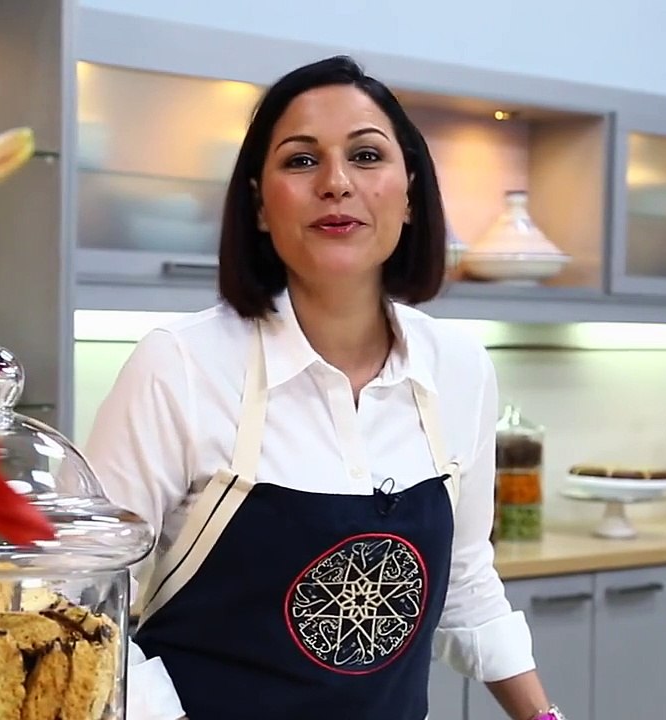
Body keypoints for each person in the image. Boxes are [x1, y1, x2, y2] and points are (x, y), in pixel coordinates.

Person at [83, 55, 562, 720]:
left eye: (367, 156)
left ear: (410, 193)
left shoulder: (458, 367)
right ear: (257, 203)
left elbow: (467, 579)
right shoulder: (180, 368)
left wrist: (542, 716)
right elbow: (86, 606)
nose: (336, 182)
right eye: (302, 161)